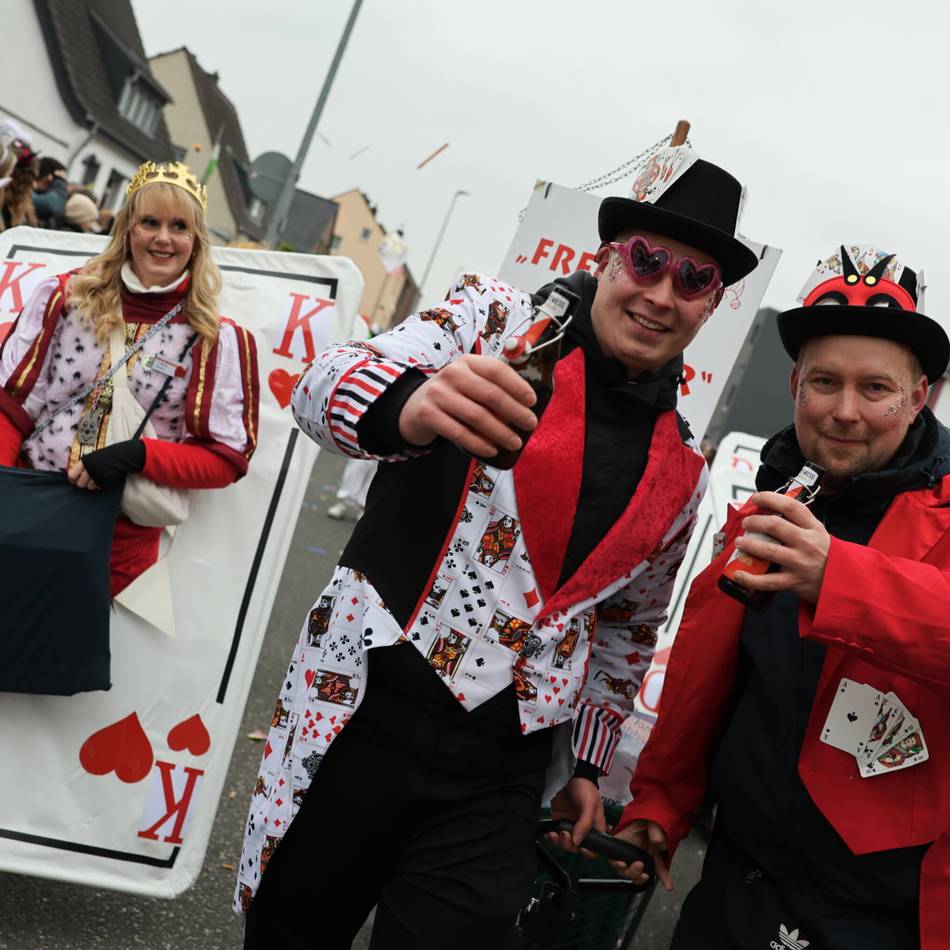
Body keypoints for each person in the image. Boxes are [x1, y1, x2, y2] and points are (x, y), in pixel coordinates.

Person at [236, 156, 761, 948]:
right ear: (605, 258)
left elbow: (625, 631)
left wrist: (585, 767)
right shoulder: (493, 321)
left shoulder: (685, 472)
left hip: (498, 770)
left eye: (693, 279)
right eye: (646, 260)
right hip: (362, 714)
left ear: (711, 305)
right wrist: (411, 406)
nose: (660, 293)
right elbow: (321, 384)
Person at [613, 244, 950, 950]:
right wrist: (661, 799)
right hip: (736, 884)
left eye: (876, 389)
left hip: (880, 917)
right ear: (795, 385)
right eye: (824, 382)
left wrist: (842, 581)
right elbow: (709, 670)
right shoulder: (772, 500)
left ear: (921, 397)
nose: (844, 412)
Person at [0, 160, 259, 595]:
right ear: (127, 229)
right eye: (149, 222)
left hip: (117, 543)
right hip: (29, 508)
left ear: (195, 241)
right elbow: (10, 408)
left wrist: (139, 455)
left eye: (179, 226)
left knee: (63, 661)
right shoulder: (63, 297)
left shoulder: (216, 338)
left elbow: (225, 459)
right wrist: (8, 492)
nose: (163, 237)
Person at [32, 155, 68, 227]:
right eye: (57, 179)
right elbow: (51, 205)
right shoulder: (26, 193)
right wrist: (59, 183)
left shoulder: (41, 196)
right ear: (49, 177)